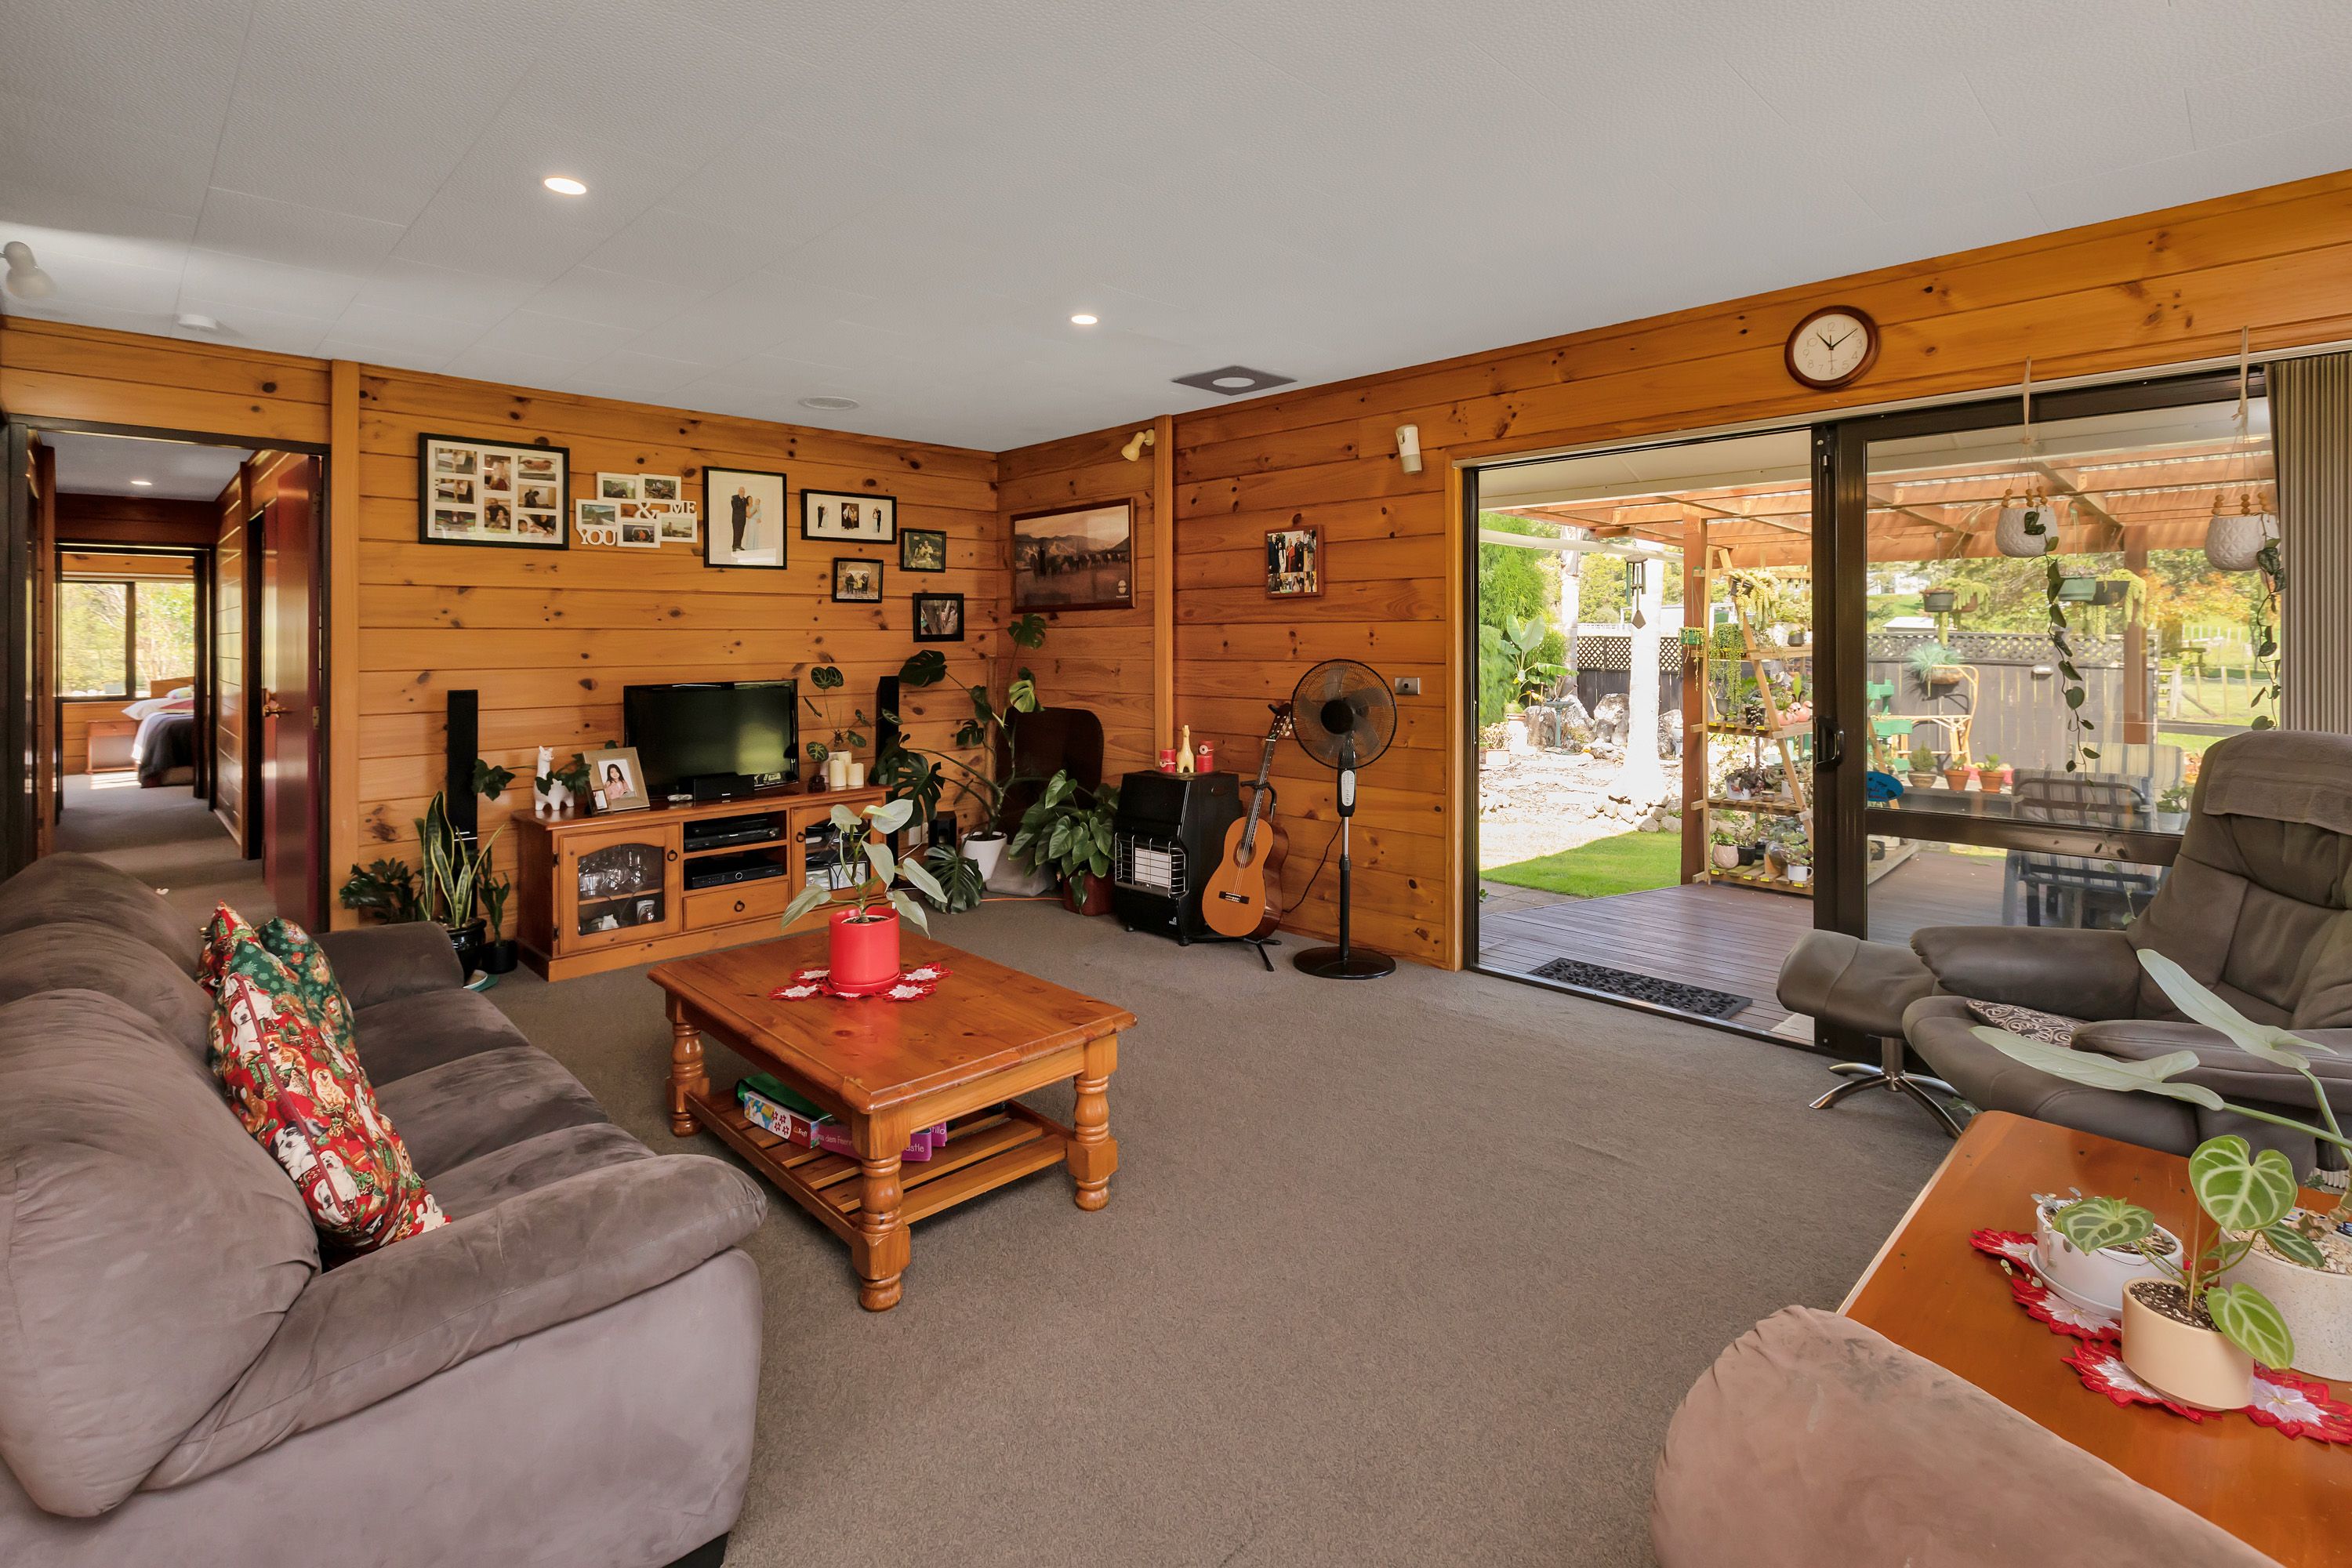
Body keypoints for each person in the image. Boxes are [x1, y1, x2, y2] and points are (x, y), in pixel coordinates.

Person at [731, 486, 753, 553]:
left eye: (743, 492)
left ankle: (738, 545)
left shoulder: (745, 499)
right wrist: (743, 511)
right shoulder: (734, 497)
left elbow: (748, 507)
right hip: (736, 519)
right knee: (736, 532)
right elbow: (735, 507)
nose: (742, 493)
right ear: (738, 491)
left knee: (741, 532)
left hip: (743, 519)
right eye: (741, 491)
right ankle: (734, 546)